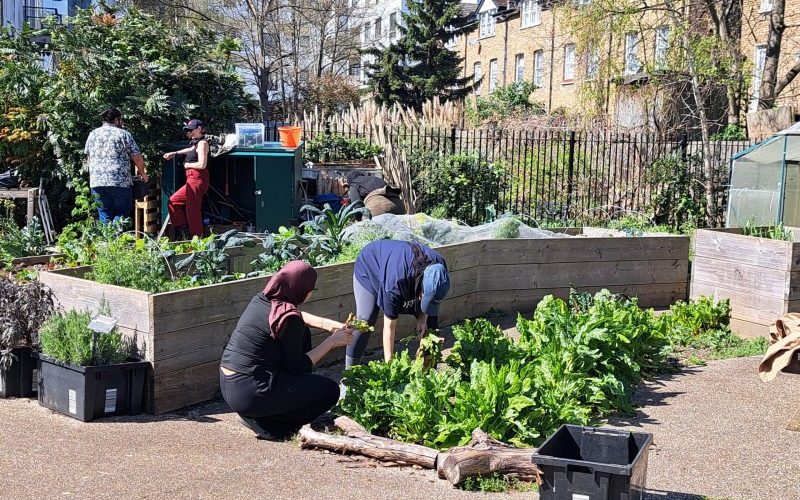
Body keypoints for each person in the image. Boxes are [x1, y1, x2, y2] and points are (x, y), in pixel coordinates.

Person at [219, 260, 354, 440]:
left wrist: (327, 324)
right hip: (252, 393)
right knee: (329, 391)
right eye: (311, 290)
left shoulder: (261, 299)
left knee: (302, 337)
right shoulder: (290, 321)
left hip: (229, 385)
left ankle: (257, 414)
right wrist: (332, 342)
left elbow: (293, 315)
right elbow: (298, 367)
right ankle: (270, 426)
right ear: (302, 290)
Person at [347, 240, 451, 369]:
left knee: (431, 325)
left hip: (403, 268)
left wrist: (422, 318)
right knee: (366, 319)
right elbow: (389, 328)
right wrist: (391, 369)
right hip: (370, 264)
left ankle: (430, 370)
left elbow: (431, 296)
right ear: (421, 289)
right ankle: (350, 371)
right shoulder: (395, 284)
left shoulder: (440, 268)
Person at [84, 108, 148, 223]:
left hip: (97, 181)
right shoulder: (123, 134)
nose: (122, 122)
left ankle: (107, 234)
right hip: (119, 181)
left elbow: (88, 157)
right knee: (122, 213)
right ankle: (117, 234)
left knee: (104, 214)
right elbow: (136, 157)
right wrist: (143, 173)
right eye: (121, 119)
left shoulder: (92, 134)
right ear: (116, 120)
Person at [163, 119, 210, 239]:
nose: (189, 132)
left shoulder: (203, 144)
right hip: (191, 179)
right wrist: (174, 153)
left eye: (191, 130)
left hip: (197, 178)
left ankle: (197, 239)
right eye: (188, 130)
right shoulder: (195, 143)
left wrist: (188, 165)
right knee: (173, 202)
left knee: (192, 211)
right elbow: (189, 150)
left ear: (199, 129)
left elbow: (202, 164)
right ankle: (183, 231)